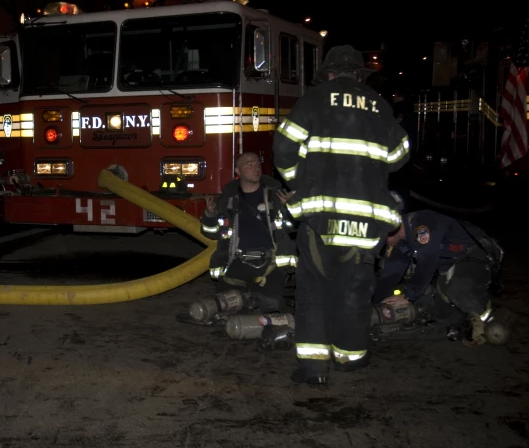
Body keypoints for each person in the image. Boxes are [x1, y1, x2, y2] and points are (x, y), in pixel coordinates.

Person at [273, 45, 410, 386]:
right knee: (353, 289)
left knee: (313, 291)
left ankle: (313, 369)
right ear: (359, 74)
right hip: (365, 221)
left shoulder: (315, 99)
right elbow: (400, 155)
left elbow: (283, 148)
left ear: (330, 74)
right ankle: (350, 358)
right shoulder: (380, 106)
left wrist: (300, 182)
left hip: (319, 218)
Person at [184, 152, 297, 323]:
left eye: (257, 164)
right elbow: (211, 232)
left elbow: (291, 228)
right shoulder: (227, 200)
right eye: (249, 164)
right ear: (238, 171)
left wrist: (291, 208)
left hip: (269, 265)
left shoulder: (275, 195)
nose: (255, 167)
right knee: (223, 309)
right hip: (236, 264)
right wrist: (210, 214)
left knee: (270, 311)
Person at [374, 209, 503, 345]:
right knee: (441, 315)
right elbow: (389, 276)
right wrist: (375, 304)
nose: (383, 243)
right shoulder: (401, 242)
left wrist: (407, 296)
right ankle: (466, 320)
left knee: (457, 289)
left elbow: (427, 261)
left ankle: (487, 319)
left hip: (476, 253)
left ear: (392, 229)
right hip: (452, 264)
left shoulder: (421, 224)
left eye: (382, 238)